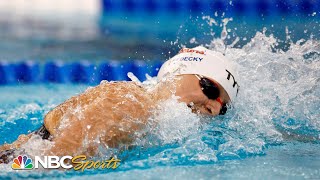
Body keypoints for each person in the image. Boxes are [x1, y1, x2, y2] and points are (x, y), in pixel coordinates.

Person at [0, 46, 239, 164]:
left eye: (223, 107)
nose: (215, 109)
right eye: (210, 89)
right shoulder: (131, 104)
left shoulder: (148, 115)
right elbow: (53, 160)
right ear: (181, 71)